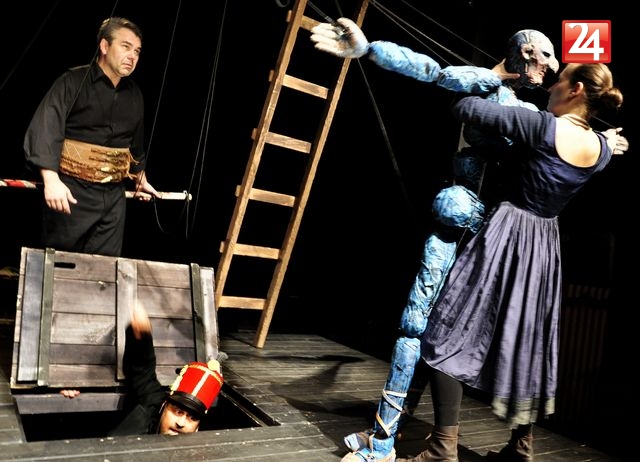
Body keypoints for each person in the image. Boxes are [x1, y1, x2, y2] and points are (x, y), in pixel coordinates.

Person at [311, 17, 559, 462]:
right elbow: (433, 72)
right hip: (464, 228)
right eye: (543, 56)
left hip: (493, 235)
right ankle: (384, 437)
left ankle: (398, 433)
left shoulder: (531, 113)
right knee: (418, 324)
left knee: (454, 333)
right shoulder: (490, 86)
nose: (550, 66)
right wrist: (371, 50)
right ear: (523, 54)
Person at [395, 63, 627, 462]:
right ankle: (521, 448)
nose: (551, 86)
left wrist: (498, 74)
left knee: (448, 330)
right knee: (526, 343)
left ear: (575, 90)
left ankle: (442, 448)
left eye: (559, 80)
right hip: (545, 246)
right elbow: (597, 147)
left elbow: (464, 107)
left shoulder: (540, 127)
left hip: (506, 234)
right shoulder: (601, 151)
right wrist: (605, 139)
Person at [23, 17, 160, 258]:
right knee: (60, 266)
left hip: (113, 198)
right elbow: (46, 128)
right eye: (126, 47)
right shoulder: (72, 82)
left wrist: (140, 178)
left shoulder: (134, 94)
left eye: (137, 51)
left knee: (104, 271)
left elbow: (134, 144)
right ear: (105, 46)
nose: (132, 56)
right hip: (71, 191)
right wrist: (51, 180)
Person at [61, 301, 224, 436]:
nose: (181, 423)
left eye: (192, 418)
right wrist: (141, 336)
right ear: (164, 405)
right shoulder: (152, 402)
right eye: (178, 412)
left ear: (198, 427)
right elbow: (142, 370)